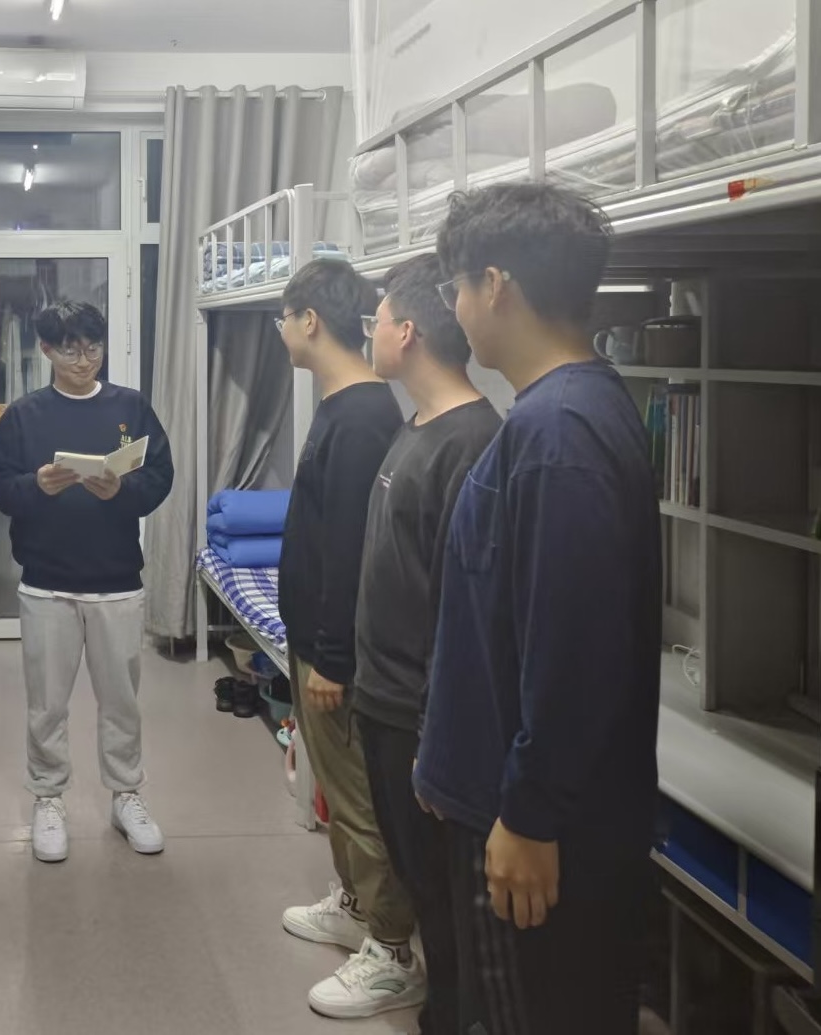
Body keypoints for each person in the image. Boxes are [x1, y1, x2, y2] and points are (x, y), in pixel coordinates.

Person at [415, 183, 661, 1035]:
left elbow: (573, 650)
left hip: (534, 834)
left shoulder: (558, 435)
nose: (455, 308)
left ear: (496, 285)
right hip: (519, 810)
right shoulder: (566, 411)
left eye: (456, 287)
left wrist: (528, 812)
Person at [343, 253, 502, 1033]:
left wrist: (438, 734)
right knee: (422, 886)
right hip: (384, 699)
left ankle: (457, 1018)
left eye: (374, 320)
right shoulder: (415, 425)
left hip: (419, 714)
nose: (368, 332)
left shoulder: (472, 442)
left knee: (449, 901)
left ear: (406, 332)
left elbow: (461, 610)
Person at [0, 300, 174, 864]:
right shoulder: (24, 416)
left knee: (122, 702)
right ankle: (48, 798)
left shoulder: (130, 407)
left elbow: (160, 475)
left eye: (93, 348)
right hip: (46, 582)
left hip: (117, 580)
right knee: (47, 705)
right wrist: (36, 486)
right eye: (69, 349)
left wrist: (123, 491)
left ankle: (126, 795)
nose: (84, 360)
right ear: (45, 349)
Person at [273, 259, 414, 1019]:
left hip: (334, 653)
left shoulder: (360, 419)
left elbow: (352, 554)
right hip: (312, 640)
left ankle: (393, 948)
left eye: (284, 316)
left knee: (360, 800)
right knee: (336, 786)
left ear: (310, 321)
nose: (281, 329)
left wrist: (331, 657)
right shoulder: (342, 404)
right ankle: (358, 907)